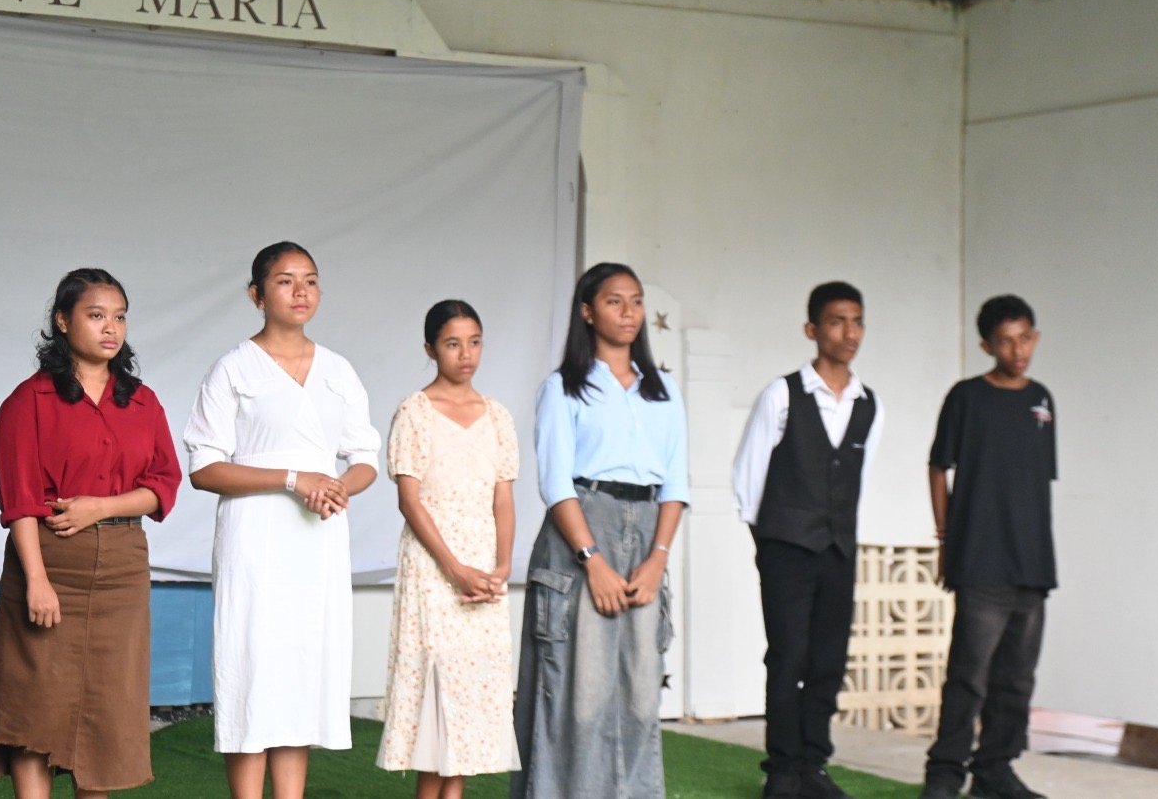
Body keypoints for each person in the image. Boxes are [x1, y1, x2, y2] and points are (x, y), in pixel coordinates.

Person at [183, 240, 381, 799]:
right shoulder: (233, 369)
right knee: (252, 673)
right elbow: (204, 468)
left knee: (300, 677)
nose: (301, 291)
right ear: (256, 294)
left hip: (317, 540)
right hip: (256, 539)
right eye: (285, 280)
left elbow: (365, 457)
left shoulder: (338, 370)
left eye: (310, 280)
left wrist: (337, 486)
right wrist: (294, 479)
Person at [0, 268, 183, 798]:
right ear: (62, 321)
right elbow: (19, 501)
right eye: (96, 315)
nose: (110, 328)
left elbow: (163, 484)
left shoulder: (143, 402)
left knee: (108, 712)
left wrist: (101, 507)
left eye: (119, 317)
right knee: (34, 703)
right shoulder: (28, 401)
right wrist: (36, 581)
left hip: (122, 569)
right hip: (49, 560)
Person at [513, 262, 689, 799]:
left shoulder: (663, 391)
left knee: (640, 695)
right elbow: (556, 483)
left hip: (647, 536)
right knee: (579, 695)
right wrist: (593, 560)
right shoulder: (563, 388)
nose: (629, 312)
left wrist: (658, 558)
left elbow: (676, 482)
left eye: (636, 301)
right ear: (588, 312)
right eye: (615, 301)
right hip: (583, 530)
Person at [731, 281, 885, 799]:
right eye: (838, 321)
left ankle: (813, 766)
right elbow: (748, 474)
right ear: (812, 329)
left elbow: (856, 476)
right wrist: (769, 543)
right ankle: (782, 769)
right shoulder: (782, 395)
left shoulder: (870, 404)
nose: (850, 332)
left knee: (828, 661)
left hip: (838, 549)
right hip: (785, 548)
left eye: (857, 321)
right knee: (788, 657)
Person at [377, 300, 522, 797]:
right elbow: (409, 500)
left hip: (483, 568)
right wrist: (454, 568)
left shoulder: (497, 416)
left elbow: (503, 499)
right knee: (435, 705)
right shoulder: (414, 412)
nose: (466, 355)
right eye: (453, 344)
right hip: (433, 566)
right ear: (430, 349)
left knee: (467, 702)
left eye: (474, 342)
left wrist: (501, 565)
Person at [920, 296, 1056, 799]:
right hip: (980, 561)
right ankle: (944, 774)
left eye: (1025, 338)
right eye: (1005, 341)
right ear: (986, 346)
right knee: (969, 676)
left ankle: (994, 771)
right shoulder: (966, 397)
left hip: (1032, 565)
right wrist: (944, 540)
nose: (1018, 350)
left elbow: (1036, 480)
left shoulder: (1042, 400)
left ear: (1035, 337)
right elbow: (939, 466)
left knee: (1016, 680)